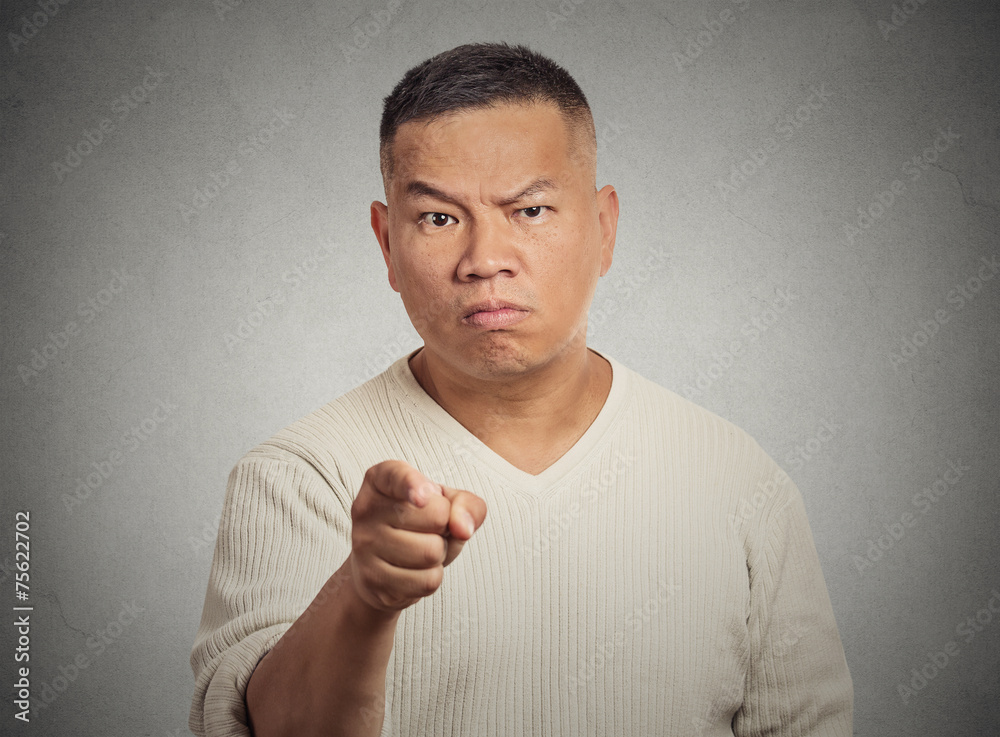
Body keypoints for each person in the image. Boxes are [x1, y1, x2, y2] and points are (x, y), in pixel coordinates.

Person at [188, 42, 853, 737]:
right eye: (439, 218)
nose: (485, 261)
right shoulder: (298, 477)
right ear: (388, 244)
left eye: (530, 211)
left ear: (604, 228)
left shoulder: (738, 481)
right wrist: (364, 594)